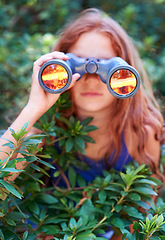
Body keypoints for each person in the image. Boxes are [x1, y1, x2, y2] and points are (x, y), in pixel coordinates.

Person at [0, 8, 164, 240]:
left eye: (109, 68)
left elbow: (135, 226)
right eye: (75, 65)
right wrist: (34, 109)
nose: (91, 79)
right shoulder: (43, 128)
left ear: (126, 72)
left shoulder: (142, 134)